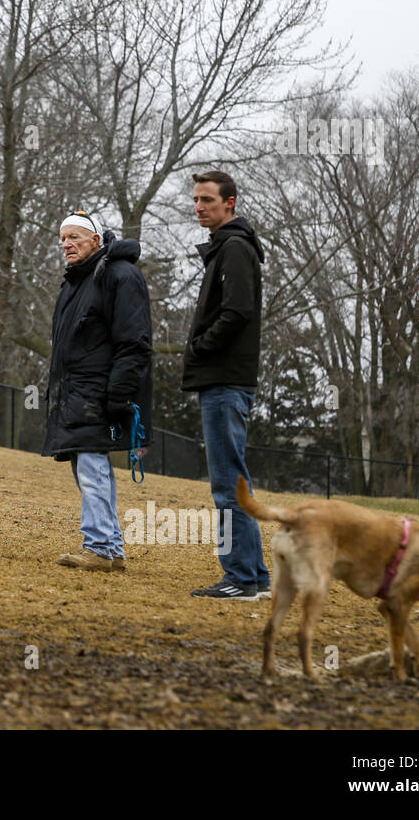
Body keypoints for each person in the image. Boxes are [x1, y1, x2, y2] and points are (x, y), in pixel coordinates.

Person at [42, 211, 153, 572]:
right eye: (63, 239)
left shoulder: (118, 275)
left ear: (96, 241)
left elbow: (134, 342)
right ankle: (110, 547)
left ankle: (100, 549)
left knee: (92, 472)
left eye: (75, 237)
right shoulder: (77, 281)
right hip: (78, 394)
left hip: (97, 394)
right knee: (89, 471)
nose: (67, 244)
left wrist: (118, 394)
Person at [182, 170, 271, 600]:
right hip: (226, 381)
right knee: (235, 482)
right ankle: (255, 576)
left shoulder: (234, 248)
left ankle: (238, 578)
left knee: (226, 486)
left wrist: (200, 347)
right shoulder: (229, 247)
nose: (199, 207)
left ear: (230, 203)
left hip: (224, 382)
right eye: (197, 200)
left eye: (207, 200)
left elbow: (236, 313)